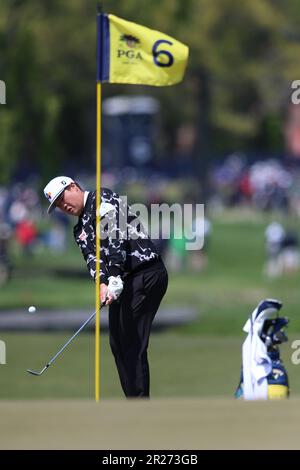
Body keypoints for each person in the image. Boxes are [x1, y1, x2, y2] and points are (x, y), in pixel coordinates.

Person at [43, 176, 168, 398]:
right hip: (122, 281)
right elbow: (93, 260)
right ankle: (134, 400)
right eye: (59, 206)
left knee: (131, 341)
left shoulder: (103, 197)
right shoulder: (79, 231)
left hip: (146, 273)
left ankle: (140, 405)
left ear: (73, 187)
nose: (64, 206)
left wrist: (114, 277)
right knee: (117, 343)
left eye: (63, 199)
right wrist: (102, 284)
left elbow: (115, 237)